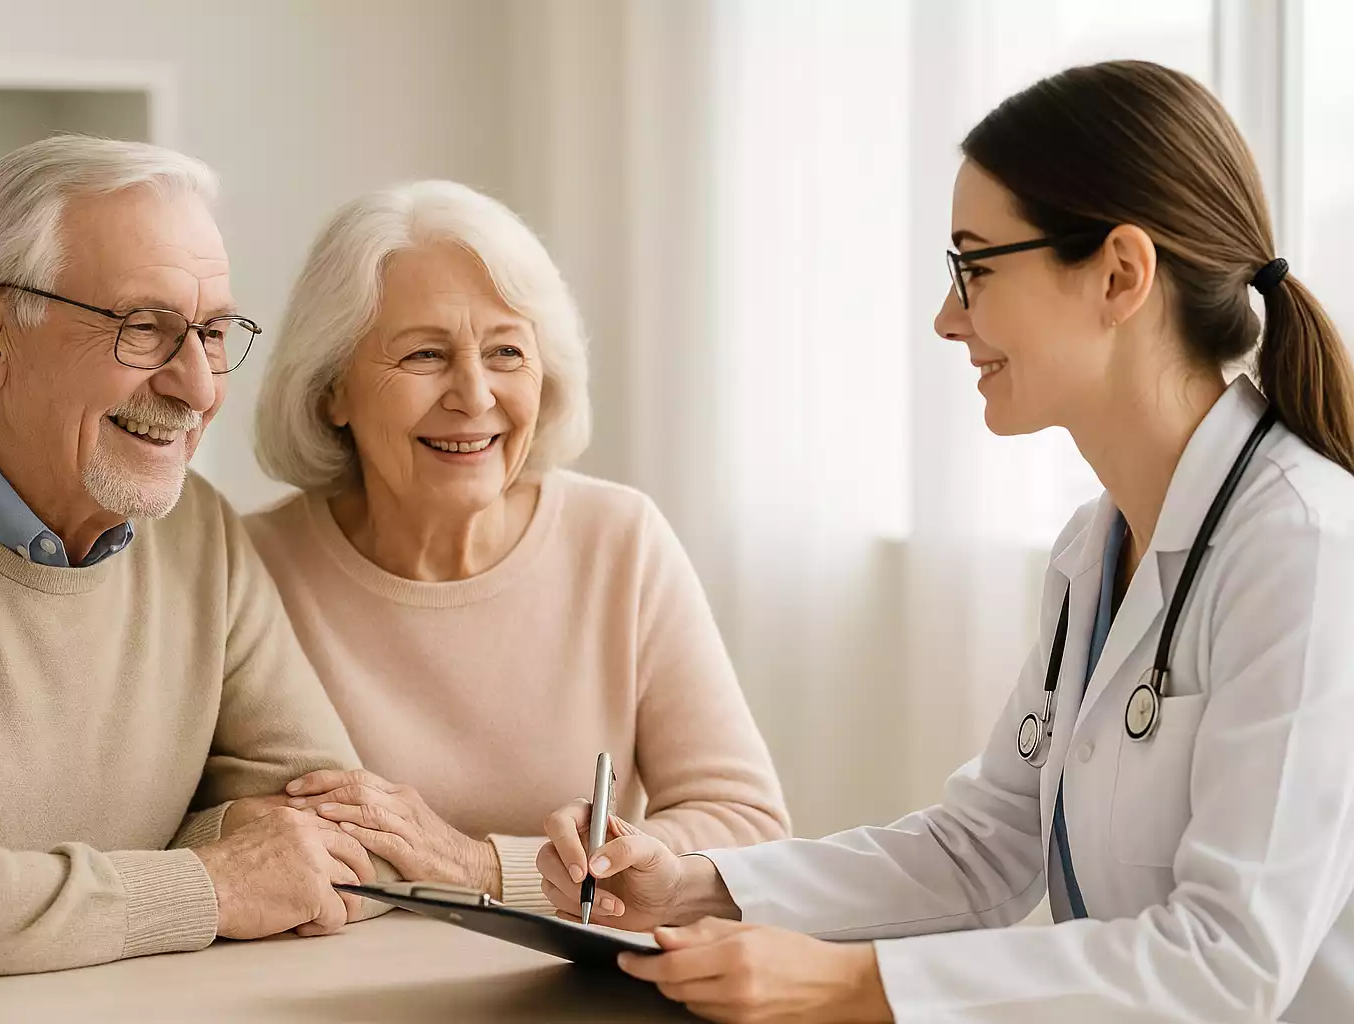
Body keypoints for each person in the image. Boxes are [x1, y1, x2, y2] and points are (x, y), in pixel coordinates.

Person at [535, 60, 1354, 1024]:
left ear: (1120, 275)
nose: (947, 317)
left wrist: (848, 984)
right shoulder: (1096, 549)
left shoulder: (1306, 549)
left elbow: (1226, 965)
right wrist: (693, 885)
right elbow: (989, 845)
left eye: (975, 266)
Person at [0, 136, 389, 987]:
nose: (197, 388)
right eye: (144, 329)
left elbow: (344, 842)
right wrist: (208, 882)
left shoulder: (200, 532)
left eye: (214, 331)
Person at [244, 180, 789, 910]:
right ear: (331, 389)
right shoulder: (250, 568)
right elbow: (235, 832)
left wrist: (485, 867)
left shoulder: (619, 541)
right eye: (425, 355)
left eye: (506, 351)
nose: (475, 395)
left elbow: (748, 825)